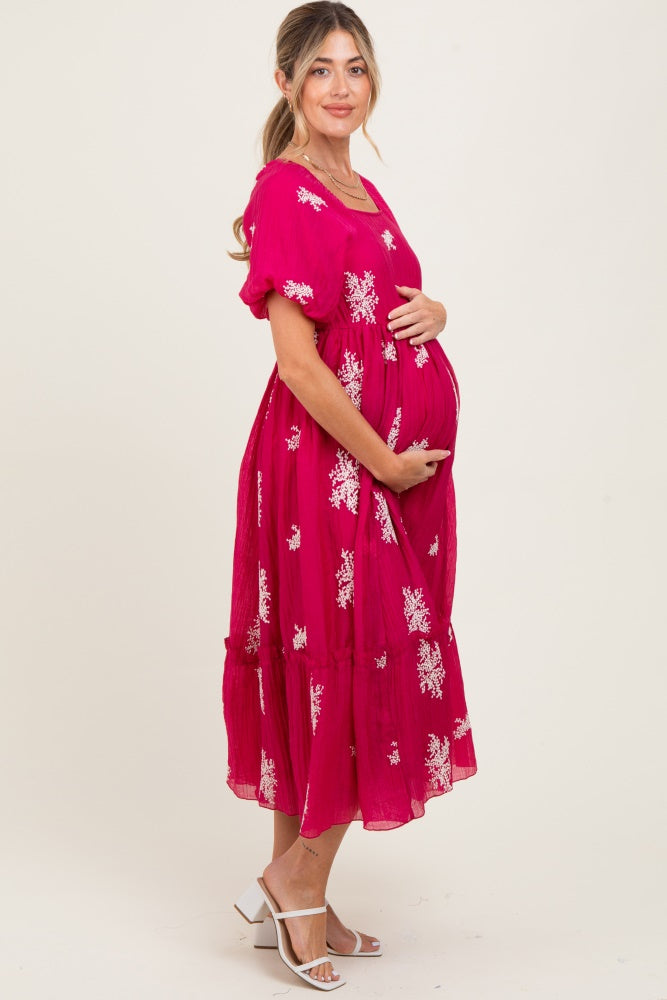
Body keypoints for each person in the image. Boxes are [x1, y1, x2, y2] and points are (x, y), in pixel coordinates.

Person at [222, 1, 477, 990]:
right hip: (329, 467)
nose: (340, 86)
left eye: (356, 68)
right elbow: (300, 362)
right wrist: (381, 462)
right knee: (353, 664)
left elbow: (379, 307)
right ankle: (295, 879)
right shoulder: (286, 189)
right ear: (285, 83)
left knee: (323, 663)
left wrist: (436, 310)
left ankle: (297, 893)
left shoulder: (360, 187)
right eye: (321, 69)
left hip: (375, 468)